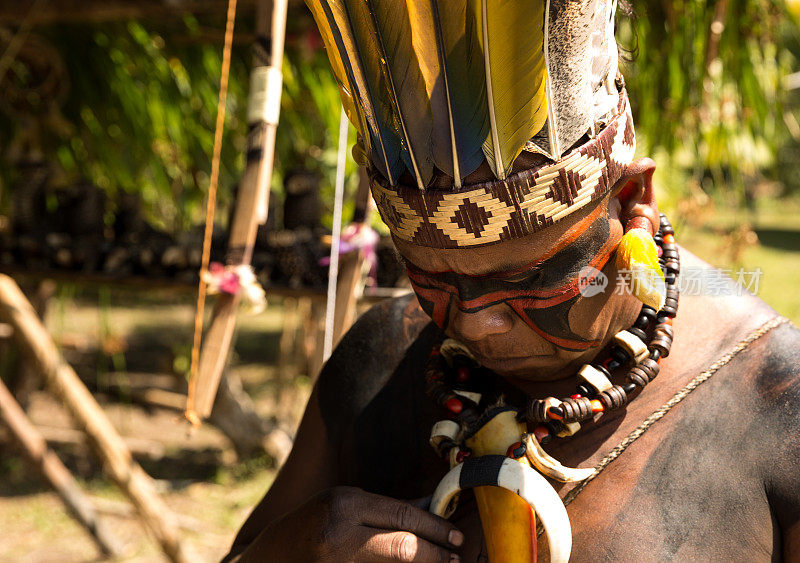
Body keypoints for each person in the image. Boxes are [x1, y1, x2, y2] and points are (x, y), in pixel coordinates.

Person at [224, 1, 800, 560]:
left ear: (631, 202)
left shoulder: (780, 407)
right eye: (430, 276)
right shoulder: (379, 361)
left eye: (528, 276)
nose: (476, 324)